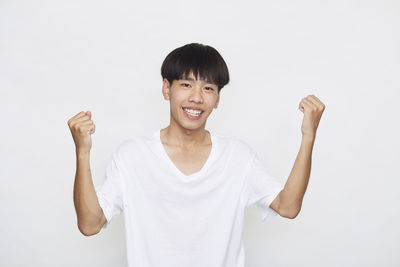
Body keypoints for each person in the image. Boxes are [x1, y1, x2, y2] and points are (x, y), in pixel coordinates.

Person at [68, 42, 325, 267]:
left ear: (218, 98)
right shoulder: (133, 156)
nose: (196, 98)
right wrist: (82, 152)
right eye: (186, 84)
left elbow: (288, 207)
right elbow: (90, 224)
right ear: (166, 89)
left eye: (208, 88)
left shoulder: (237, 157)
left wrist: (308, 136)